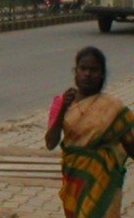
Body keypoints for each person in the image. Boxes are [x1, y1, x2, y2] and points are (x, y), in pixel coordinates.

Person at [45, 47, 134, 217]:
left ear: (102, 74)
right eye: (83, 68)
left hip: (105, 181)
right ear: (76, 71)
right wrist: (63, 109)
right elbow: (50, 143)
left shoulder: (112, 107)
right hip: (75, 179)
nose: (87, 74)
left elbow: (130, 142)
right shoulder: (62, 102)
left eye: (93, 70)